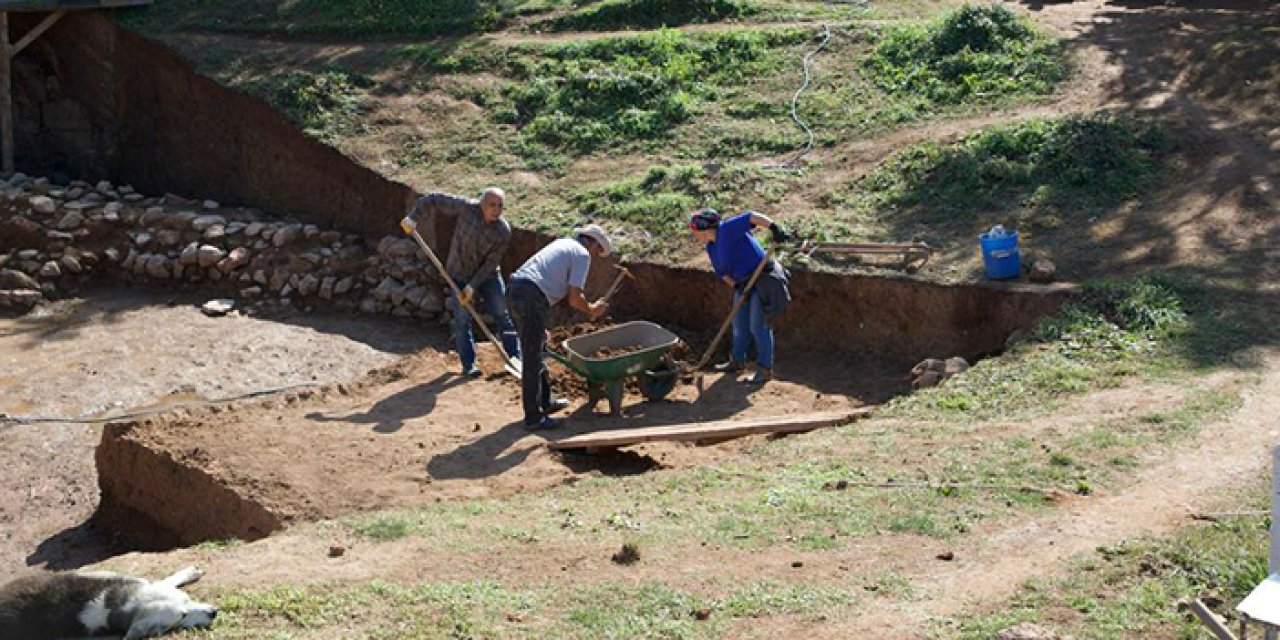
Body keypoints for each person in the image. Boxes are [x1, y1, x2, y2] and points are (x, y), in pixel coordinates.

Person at [400, 187, 520, 378]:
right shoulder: (466, 208)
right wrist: (413, 217)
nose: (496, 210)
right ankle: (469, 365)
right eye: (492, 205)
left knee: (502, 315)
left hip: (487, 276)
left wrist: (472, 286)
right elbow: (434, 198)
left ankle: (515, 358)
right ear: (482, 204)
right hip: (458, 273)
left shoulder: (502, 231)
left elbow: (491, 263)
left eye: (500, 206)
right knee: (463, 320)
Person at [508, 225, 613, 429]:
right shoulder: (582, 254)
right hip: (531, 296)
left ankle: (546, 402)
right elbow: (575, 298)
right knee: (532, 357)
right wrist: (592, 309)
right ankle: (533, 418)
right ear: (593, 243)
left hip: (516, 290)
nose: (595, 256)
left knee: (537, 348)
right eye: (597, 251)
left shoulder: (563, 243)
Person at [688, 208, 792, 384]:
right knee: (739, 324)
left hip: (763, 278)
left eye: (694, 230)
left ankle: (764, 369)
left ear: (705, 229)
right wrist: (736, 285)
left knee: (758, 326)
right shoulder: (711, 247)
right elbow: (722, 274)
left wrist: (774, 227)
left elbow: (752, 216)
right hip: (743, 283)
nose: (693, 234)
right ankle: (737, 361)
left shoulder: (727, 230)